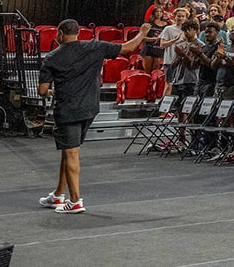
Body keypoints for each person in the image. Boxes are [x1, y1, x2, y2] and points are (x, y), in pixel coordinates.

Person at [37, 19, 154, 213]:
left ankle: (75, 201)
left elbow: (42, 90)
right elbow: (129, 47)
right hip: (90, 108)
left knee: (71, 153)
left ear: (59, 34)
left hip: (68, 110)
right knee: (69, 150)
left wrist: (49, 93)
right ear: (77, 33)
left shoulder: (52, 57)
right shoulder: (95, 47)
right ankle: (58, 195)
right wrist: (142, 32)